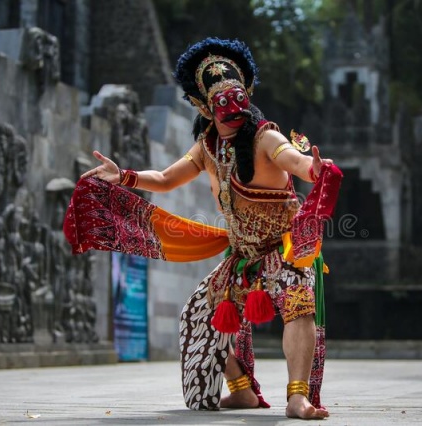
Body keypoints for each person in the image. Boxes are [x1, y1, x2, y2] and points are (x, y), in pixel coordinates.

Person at [65, 38, 341, 420]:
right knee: (198, 316)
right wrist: (123, 176)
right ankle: (241, 391)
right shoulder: (206, 148)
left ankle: (297, 398)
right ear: (206, 108)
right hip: (242, 256)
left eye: (238, 97)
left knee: (298, 306)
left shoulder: (266, 137)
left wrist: (314, 168)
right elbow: (163, 179)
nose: (234, 109)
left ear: (248, 95)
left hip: (284, 249)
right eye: (223, 102)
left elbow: (294, 161)